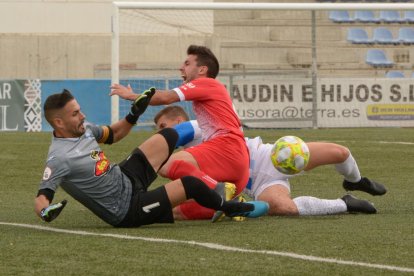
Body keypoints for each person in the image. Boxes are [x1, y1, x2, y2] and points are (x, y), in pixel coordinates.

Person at [34, 89, 268, 227]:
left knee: (166, 135)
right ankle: (231, 207)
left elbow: (114, 134)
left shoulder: (84, 129)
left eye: (80, 110)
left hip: (125, 177)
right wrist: (45, 211)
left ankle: (199, 163)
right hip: (126, 209)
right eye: (75, 114)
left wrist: (134, 113)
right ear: (58, 122)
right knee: (191, 185)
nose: (82, 116)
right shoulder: (59, 158)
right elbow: (42, 197)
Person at [153, 105, 387, 219]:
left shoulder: (198, 128)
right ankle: (346, 203)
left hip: (270, 154)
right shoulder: (186, 164)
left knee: (340, 152)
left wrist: (155, 151)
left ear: (179, 119)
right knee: (284, 208)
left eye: (163, 126)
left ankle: (356, 181)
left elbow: (179, 133)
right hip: (259, 183)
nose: (161, 133)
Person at [110, 45, 250, 220]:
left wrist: (132, 96)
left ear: (202, 69)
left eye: (187, 63)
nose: (181, 67)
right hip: (238, 169)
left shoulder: (206, 83)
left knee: (166, 162)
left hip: (227, 148)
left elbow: (166, 97)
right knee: (175, 210)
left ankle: (215, 189)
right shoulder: (214, 90)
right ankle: (231, 204)